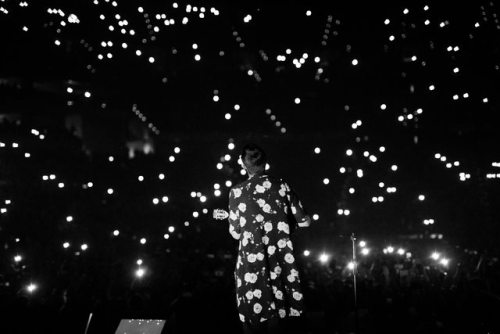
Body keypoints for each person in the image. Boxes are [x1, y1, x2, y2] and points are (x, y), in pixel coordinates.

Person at [227, 144, 311, 334]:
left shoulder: (237, 192)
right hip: (279, 263)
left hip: (252, 267)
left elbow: (236, 233)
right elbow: (305, 221)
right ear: (266, 163)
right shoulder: (281, 185)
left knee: (253, 322)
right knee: (282, 322)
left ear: (243, 164)